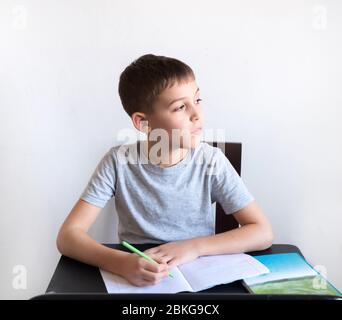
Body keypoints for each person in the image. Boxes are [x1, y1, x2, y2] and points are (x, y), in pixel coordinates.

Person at [57, 54, 273, 287]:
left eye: (197, 100)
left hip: (200, 275)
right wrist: (121, 263)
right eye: (180, 106)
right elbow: (68, 237)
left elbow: (262, 232)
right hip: (140, 276)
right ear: (143, 123)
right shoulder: (118, 162)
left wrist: (194, 247)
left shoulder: (212, 161)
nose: (196, 114)